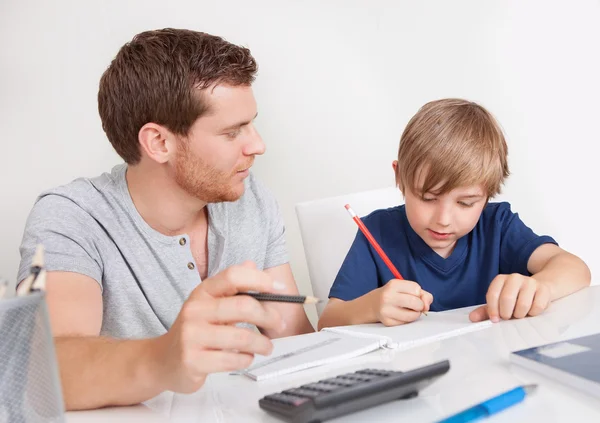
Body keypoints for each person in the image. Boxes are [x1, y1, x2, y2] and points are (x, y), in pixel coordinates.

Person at [17, 28, 314, 411]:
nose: (257, 145)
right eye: (231, 132)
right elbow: (45, 369)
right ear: (159, 143)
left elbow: (295, 339)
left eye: (251, 124)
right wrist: (164, 359)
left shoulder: (250, 198)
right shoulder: (71, 218)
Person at [318, 98, 591, 330]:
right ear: (400, 177)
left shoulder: (497, 225)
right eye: (428, 198)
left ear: (488, 195)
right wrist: (370, 308)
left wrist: (540, 286)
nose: (444, 219)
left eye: (466, 203)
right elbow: (327, 322)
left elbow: (575, 269)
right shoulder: (376, 231)